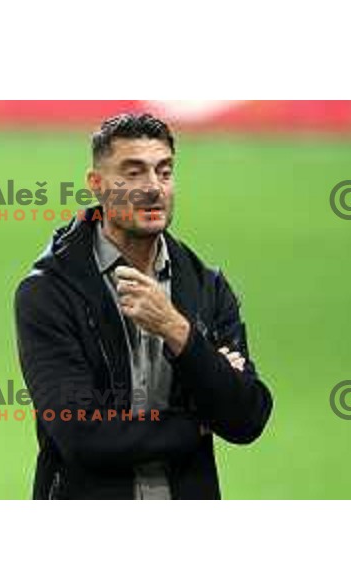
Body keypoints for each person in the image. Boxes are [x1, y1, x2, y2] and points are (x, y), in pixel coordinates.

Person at [14, 113, 273, 499]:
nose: (153, 188)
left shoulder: (207, 287)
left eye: (164, 172)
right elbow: (82, 436)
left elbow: (246, 417)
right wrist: (198, 424)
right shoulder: (49, 293)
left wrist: (177, 330)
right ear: (97, 185)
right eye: (133, 174)